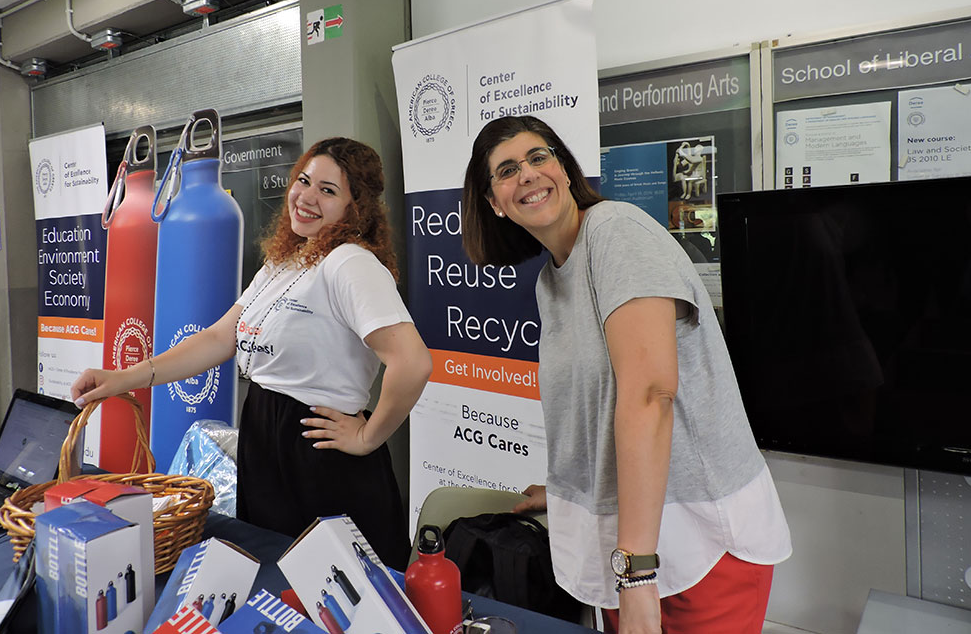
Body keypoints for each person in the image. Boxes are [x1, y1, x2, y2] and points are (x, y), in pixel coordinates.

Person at [461, 116, 791, 634]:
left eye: (538, 157)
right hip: (631, 534)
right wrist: (574, 489)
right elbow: (595, 407)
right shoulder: (552, 278)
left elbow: (649, 396)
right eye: (507, 170)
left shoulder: (616, 232)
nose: (526, 174)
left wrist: (636, 574)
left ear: (565, 170)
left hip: (693, 537)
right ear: (493, 202)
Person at [72, 137, 432, 569]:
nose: (307, 197)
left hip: (317, 451)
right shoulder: (285, 263)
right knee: (273, 577)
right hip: (265, 439)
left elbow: (412, 363)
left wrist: (368, 436)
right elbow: (218, 339)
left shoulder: (349, 263)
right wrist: (121, 378)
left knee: (336, 587)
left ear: (356, 208)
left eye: (328, 190)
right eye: (304, 181)